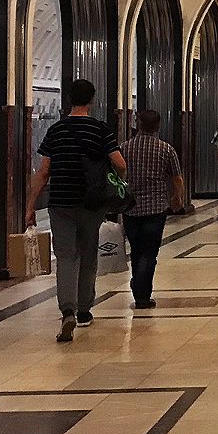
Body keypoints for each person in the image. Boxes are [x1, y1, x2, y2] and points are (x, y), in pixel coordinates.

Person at [25, 78, 125, 343]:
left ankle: (66, 310)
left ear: (69, 99)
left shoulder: (55, 131)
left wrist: (31, 205)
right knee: (89, 255)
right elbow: (120, 163)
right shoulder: (100, 130)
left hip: (61, 203)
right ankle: (83, 310)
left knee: (66, 257)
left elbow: (43, 172)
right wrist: (115, 182)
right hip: (91, 204)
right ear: (92, 100)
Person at [121, 108, 184, 309]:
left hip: (130, 208)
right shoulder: (165, 149)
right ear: (158, 126)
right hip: (156, 208)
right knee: (150, 253)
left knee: (136, 250)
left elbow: (117, 174)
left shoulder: (124, 148)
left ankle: (137, 285)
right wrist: (177, 197)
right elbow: (176, 177)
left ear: (138, 124)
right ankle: (142, 294)